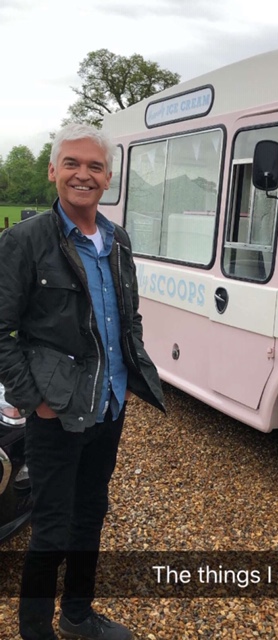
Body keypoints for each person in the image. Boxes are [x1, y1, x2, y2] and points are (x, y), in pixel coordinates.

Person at [0, 123, 165, 640]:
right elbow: (2, 331)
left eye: (95, 166)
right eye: (72, 163)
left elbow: (129, 316)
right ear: (53, 171)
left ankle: (77, 616)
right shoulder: (24, 240)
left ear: (108, 178)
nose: (83, 174)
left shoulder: (118, 241)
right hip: (56, 414)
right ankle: (35, 631)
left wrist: (132, 374)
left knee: (92, 512)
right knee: (50, 527)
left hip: (109, 406)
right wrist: (34, 402)